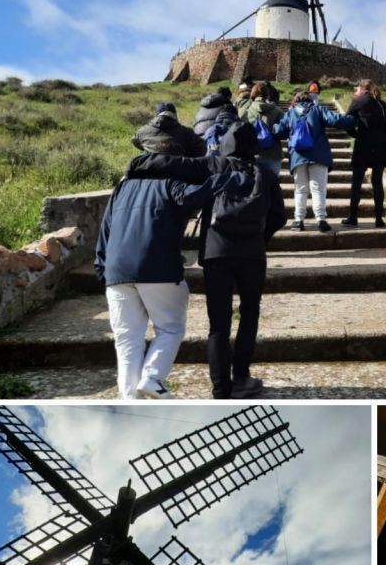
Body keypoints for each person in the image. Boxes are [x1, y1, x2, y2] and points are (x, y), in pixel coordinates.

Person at [94, 156, 251, 400]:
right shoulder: (169, 183)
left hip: (116, 273)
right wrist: (233, 178)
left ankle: (129, 397)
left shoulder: (121, 188)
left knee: (127, 339)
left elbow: (105, 230)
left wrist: (102, 269)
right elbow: (196, 195)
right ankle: (153, 377)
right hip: (158, 268)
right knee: (170, 329)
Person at [197, 122, 286, 400]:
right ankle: (242, 377)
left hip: (216, 253)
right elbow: (279, 216)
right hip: (252, 254)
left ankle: (221, 389)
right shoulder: (266, 173)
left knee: (218, 325)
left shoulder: (214, 166)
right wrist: (260, 237)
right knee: (249, 314)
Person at [272, 90, 353, 232]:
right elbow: (336, 120)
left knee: (300, 190)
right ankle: (321, 220)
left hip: (298, 156)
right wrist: (353, 119)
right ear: (310, 99)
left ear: (296, 100)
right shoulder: (318, 110)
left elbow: (279, 131)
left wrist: (269, 125)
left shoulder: (290, 113)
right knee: (318, 189)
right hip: (318, 155)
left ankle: (298, 221)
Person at [342, 79, 386, 228]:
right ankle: (379, 219)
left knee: (357, 182)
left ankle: (353, 217)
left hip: (363, 147)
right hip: (380, 147)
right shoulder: (382, 104)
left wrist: (356, 134)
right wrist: (380, 133)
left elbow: (346, 123)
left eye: (357, 89)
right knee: (377, 183)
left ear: (361, 88)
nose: (356, 91)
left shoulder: (358, 102)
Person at [240, 83, 283, 178]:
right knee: (273, 185)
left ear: (252, 94)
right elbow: (284, 131)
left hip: (252, 154)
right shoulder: (276, 110)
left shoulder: (246, 110)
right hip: (273, 153)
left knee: (254, 188)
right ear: (268, 95)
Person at [133, 102, 205, 157]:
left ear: (157, 114)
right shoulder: (187, 132)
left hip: (150, 169)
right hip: (180, 171)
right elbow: (201, 150)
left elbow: (135, 141)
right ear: (175, 115)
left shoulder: (143, 130)